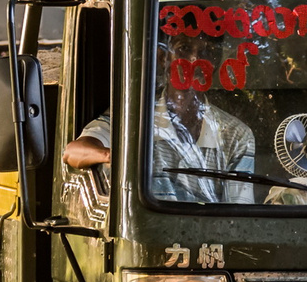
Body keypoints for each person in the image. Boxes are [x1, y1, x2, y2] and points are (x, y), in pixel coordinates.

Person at [63, 76, 256, 204]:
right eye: (184, 49)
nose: (192, 60)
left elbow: (238, 216)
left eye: (203, 53)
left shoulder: (235, 134)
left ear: (212, 63)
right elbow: (74, 152)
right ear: (165, 59)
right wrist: (115, 156)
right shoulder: (132, 119)